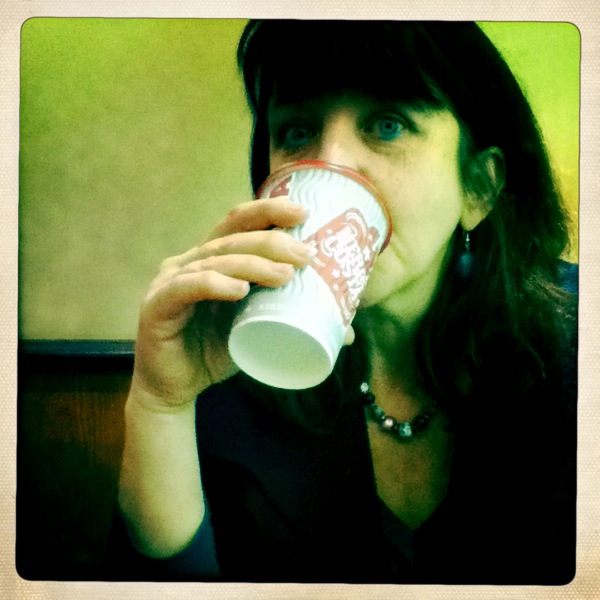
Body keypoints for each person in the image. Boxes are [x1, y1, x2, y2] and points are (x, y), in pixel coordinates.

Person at [106, 20, 578, 584]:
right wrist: (161, 407)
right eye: (297, 131)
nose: (329, 161)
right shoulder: (230, 356)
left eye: (387, 123)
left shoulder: (575, 349)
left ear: (478, 187)